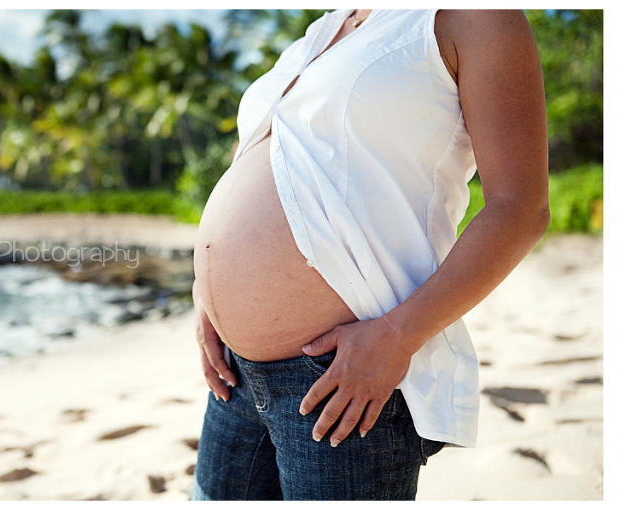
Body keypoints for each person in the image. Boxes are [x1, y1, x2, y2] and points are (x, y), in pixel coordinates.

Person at [190, 9, 549, 501]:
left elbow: (520, 209)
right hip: (234, 374)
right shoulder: (326, 26)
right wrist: (207, 292)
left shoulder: (474, 17)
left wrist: (397, 337)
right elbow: (267, 155)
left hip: (344, 373)